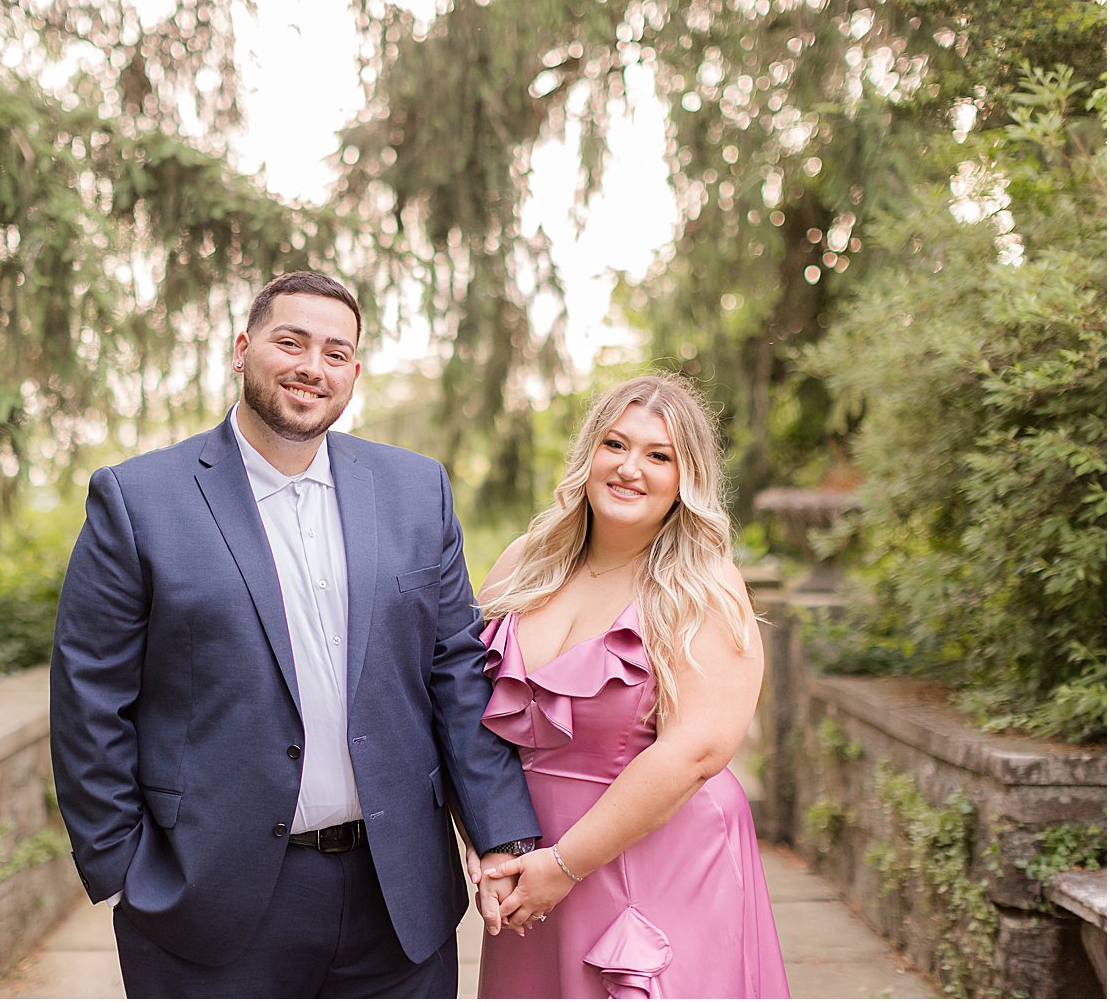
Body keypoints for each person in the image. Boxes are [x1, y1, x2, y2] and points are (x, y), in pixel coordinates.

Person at [49, 270, 540, 998]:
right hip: (207, 899)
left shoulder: (415, 490)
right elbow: (90, 699)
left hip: (396, 894)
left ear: (354, 373)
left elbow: (456, 673)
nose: (313, 366)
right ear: (243, 348)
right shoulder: (138, 498)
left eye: (336, 352)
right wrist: (126, 866)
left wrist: (502, 834)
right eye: (292, 341)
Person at [473, 374, 790, 999]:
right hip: (527, 864)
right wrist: (487, 841)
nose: (629, 468)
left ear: (685, 477)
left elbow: (696, 750)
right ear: (589, 453)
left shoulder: (703, 584)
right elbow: (465, 710)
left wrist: (564, 866)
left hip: (656, 856)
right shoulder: (525, 561)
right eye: (615, 445)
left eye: (658, 455)